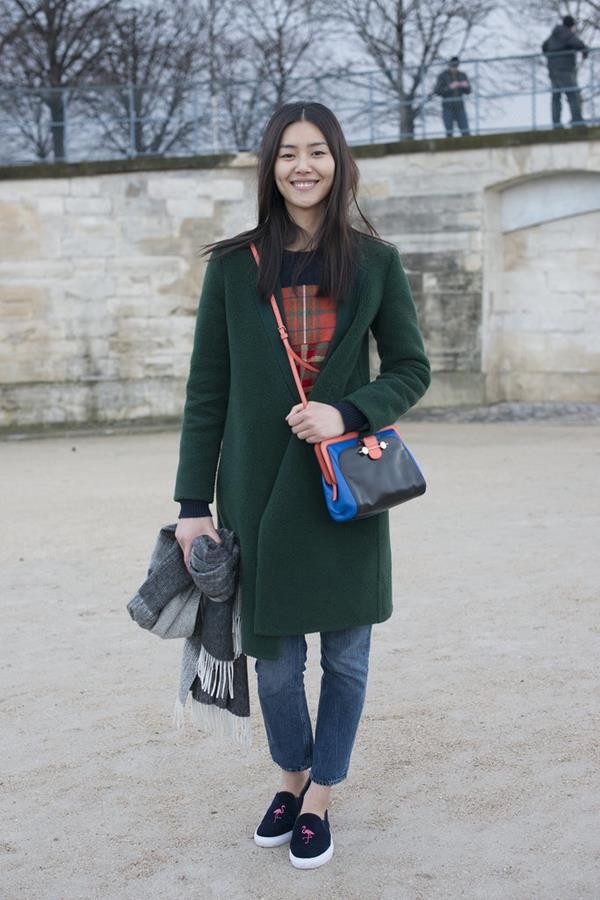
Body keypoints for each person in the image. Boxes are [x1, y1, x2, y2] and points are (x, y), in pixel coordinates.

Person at [173, 101, 431, 870]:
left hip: (344, 490)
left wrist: (347, 411)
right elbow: (205, 394)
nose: (303, 166)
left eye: (317, 151)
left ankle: (320, 792)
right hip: (257, 493)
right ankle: (288, 778)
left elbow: (413, 368)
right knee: (278, 664)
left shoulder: (375, 262)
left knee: (347, 660)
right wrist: (192, 507)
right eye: (288, 154)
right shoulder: (233, 265)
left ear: (338, 162)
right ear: (270, 166)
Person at [542, 15, 589, 128]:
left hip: (553, 71)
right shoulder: (567, 33)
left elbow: (544, 47)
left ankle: (556, 124)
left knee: (556, 97)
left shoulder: (553, 35)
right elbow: (580, 45)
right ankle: (578, 122)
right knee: (573, 95)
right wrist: (585, 53)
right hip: (565, 70)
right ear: (571, 26)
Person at [434, 56, 471, 137]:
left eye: (456, 66)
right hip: (448, 107)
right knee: (449, 132)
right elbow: (437, 91)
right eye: (453, 66)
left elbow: (469, 91)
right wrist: (450, 88)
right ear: (449, 65)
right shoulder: (443, 76)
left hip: (460, 106)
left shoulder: (462, 75)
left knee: (465, 131)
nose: (455, 68)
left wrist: (465, 86)